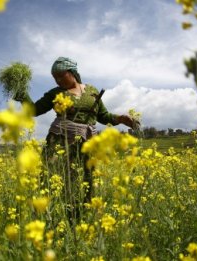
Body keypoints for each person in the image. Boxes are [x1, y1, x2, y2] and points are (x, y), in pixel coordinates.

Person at [14, 57, 136, 220]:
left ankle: (80, 219)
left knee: (85, 181)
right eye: (54, 77)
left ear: (72, 72)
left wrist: (120, 119)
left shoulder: (92, 91)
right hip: (60, 140)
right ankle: (45, 218)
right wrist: (22, 93)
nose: (58, 80)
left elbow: (103, 116)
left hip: (87, 143)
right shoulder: (56, 93)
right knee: (52, 178)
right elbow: (34, 110)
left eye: (61, 75)